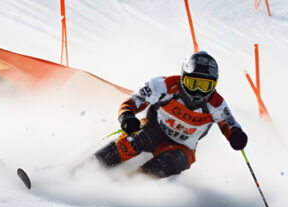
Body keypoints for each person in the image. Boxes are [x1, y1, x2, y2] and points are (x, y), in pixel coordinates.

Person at [93, 50, 248, 178]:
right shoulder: (164, 86)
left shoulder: (217, 104)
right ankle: (92, 166)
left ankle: (130, 183)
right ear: (183, 78)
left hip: (183, 146)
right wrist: (127, 116)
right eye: (193, 83)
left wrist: (237, 137)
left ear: (214, 85)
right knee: (135, 140)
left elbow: (231, 126)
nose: (198, 92)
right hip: (153, 130)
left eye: (205, 86)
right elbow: (132, 102)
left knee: (172, 162)